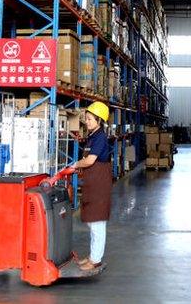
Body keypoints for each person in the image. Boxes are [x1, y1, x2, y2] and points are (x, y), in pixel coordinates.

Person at [71, 101, 113, 271]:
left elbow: (90, 160)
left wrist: (76, 165)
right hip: (92, 183)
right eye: (86, 119)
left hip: (99, 185)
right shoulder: (92, 137)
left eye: (89, 119)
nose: (86, 122)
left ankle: (95, 259)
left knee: (97, 223)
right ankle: (91, 255)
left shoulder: (100, 137)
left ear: (99, 120)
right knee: (92, 221)